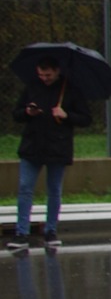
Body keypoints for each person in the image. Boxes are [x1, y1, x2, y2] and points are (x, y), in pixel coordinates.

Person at [10, 59, 91, 252]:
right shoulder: (32, 87)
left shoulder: (70, 89)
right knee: (25, 188)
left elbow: (86, 118)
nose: (44, 78)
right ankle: (21, 233)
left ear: (56, 71)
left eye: (48, 75)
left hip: (58, 147)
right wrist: (28, 112)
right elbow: (16, 113)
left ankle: (51, 231)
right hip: (32, 145)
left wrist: (67, 115)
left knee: (54, 190)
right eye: (41, 75)